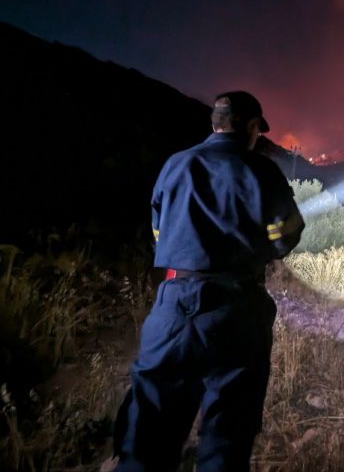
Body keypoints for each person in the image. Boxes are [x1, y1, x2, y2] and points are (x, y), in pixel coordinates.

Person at [113, 91, 304, 472]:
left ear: (215, 123)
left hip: (173, 306)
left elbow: (159, 231)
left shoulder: (175, 165)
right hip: (237, 308)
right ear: (251, 128)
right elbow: (285, 236)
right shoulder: (262, 170)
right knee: (226, 437)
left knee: (148, 433)